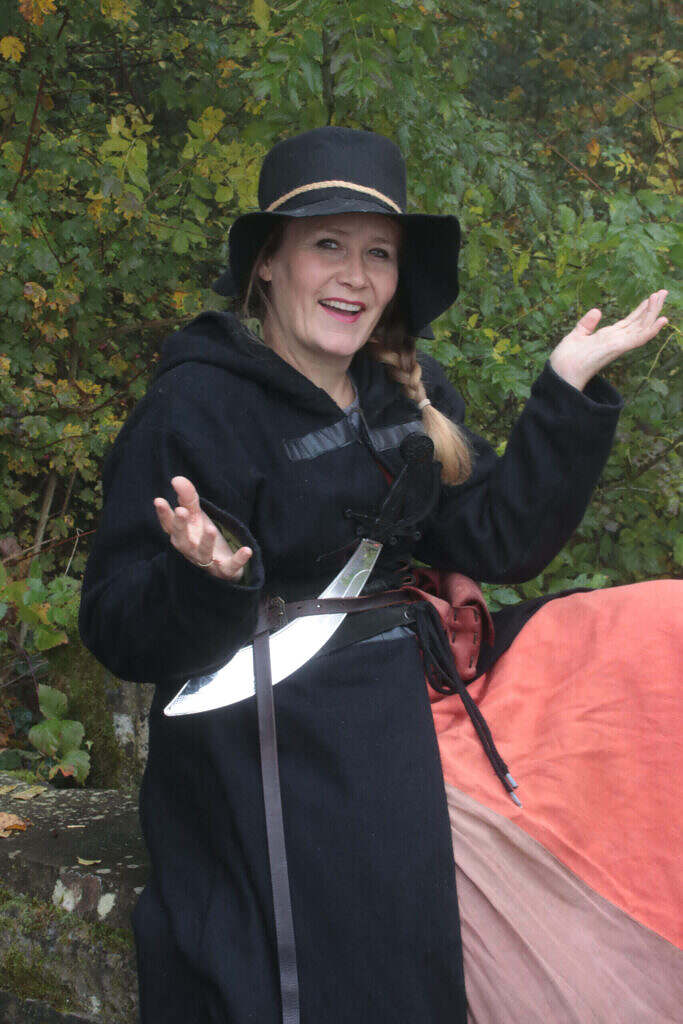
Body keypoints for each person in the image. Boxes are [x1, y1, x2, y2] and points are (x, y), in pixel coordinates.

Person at [79, 127, 681, 1023]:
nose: (354, 276)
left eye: (378, 253)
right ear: (268, 264)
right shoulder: (196, 405)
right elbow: (116, 625)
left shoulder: (406, 389)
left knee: (660, 637)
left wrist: (564, 392)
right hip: (284, 724)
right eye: (327, 244)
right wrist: (203, 578)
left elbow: (496, 541)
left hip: (419, 682)